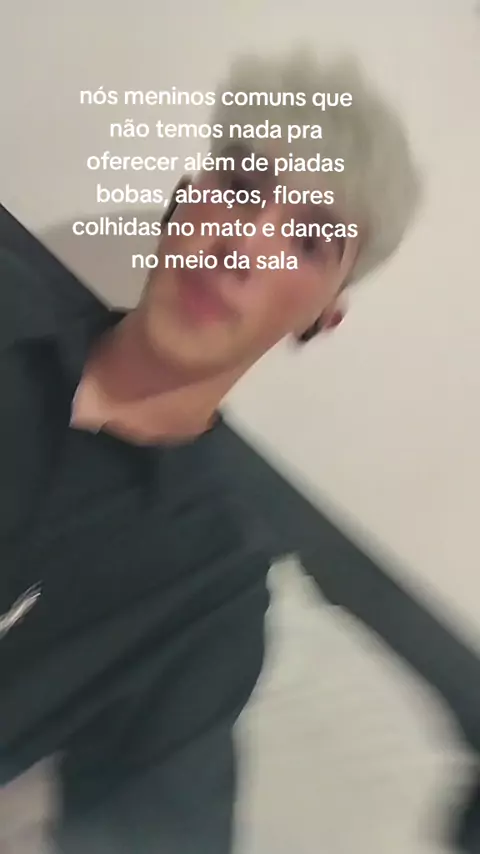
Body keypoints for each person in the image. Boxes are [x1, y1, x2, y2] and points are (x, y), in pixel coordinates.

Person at [0, 50, 420, 853]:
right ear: (183, 199)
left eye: (309, 240)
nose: (243, 247)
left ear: (323, 318)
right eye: (241, 188)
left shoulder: (212, 590)